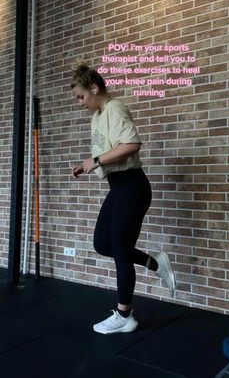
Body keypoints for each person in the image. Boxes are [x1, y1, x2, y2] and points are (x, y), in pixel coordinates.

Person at [71, 61, 176, 335]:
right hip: (118, 187)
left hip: (133, 187)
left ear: (95, 88)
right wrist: (88, 165)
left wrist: (94, 160)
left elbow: (132, 145)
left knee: (119, 248)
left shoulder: (115, 107)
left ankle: (125, 315)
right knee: (102, 243)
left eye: (81, 96)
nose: (80, 103)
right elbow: (108, 153)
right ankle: (155, 263)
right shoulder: (97, 116)